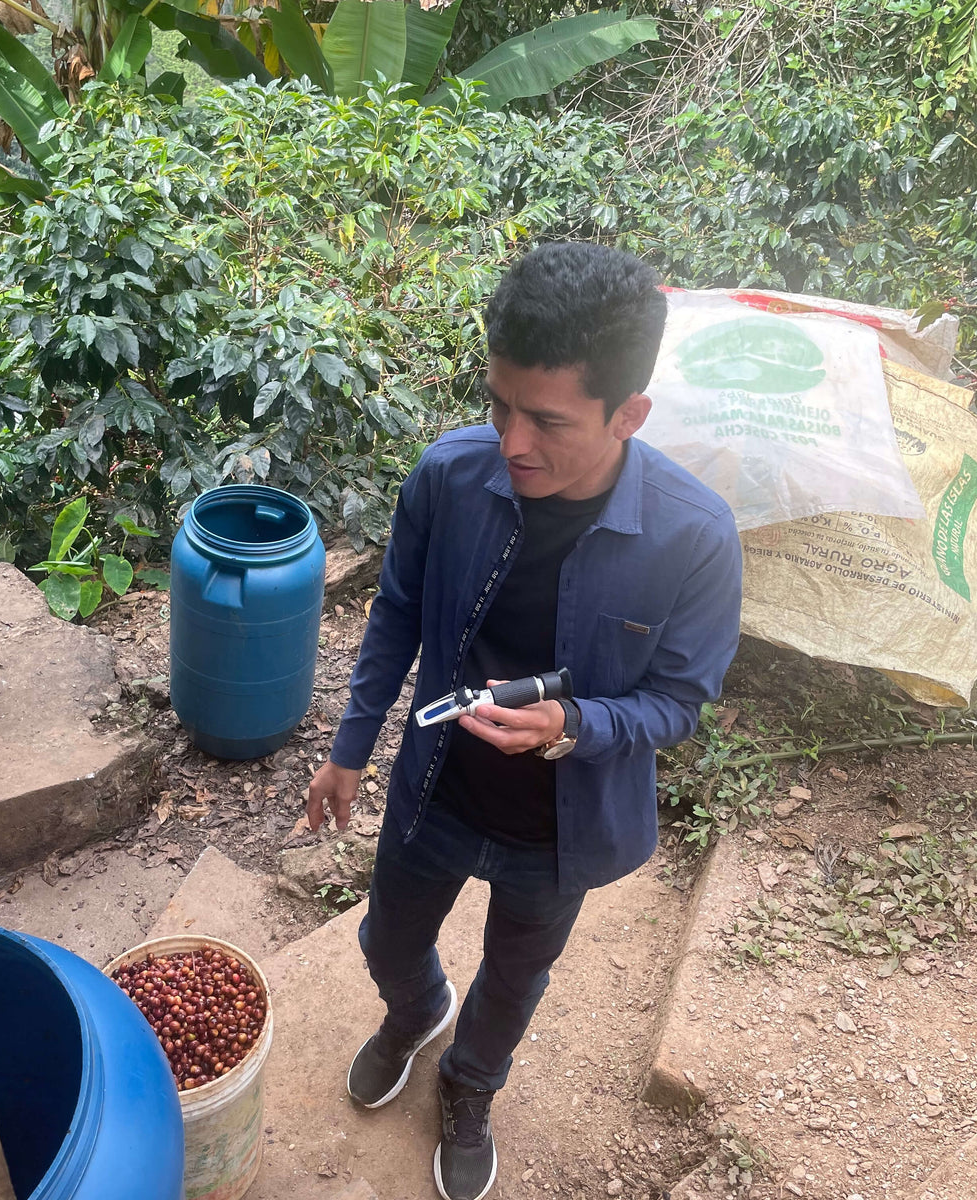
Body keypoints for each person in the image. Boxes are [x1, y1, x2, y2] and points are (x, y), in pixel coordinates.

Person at [306, 241, 743, 1200]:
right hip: (439, 789)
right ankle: (416, 1010)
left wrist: (573, 724)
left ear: (630, 414)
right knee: (385, 937)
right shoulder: (449, 479)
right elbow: (397, 616)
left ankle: (470, 1084)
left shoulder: (695, 537)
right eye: (499, 404)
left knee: (513, 977)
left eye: (548, 421)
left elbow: (679, 702)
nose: (511, 442)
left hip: (561, 826)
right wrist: (350, 748)